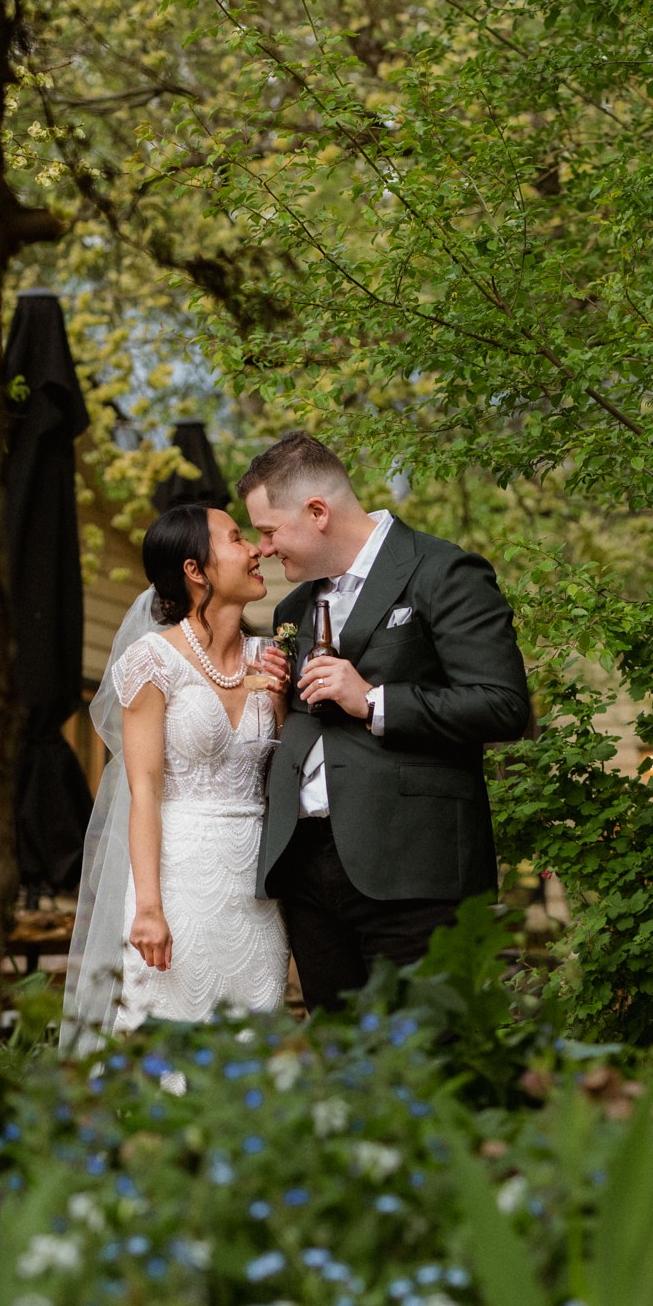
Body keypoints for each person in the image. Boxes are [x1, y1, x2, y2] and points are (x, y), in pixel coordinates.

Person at [239, 433, 530, 1011]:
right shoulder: (292, 609)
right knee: (343, 1061)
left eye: (269, 531)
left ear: (317, 512)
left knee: (430, 1062)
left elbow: (503, 705)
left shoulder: (442, 571)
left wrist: (373, 700)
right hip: (307, 867)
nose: (264, 549)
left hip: (413, 867)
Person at [59, 504, 291, 1049]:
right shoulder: (152, 661)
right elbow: (144, 791)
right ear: (195, 570)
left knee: (253, 1044)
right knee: (166, 1041)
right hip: (176, 881)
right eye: (236, 539)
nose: (255, 548)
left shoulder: (272, 660)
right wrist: (148, 909)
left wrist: (282, 702)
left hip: (256, 886)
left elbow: (288, 774)